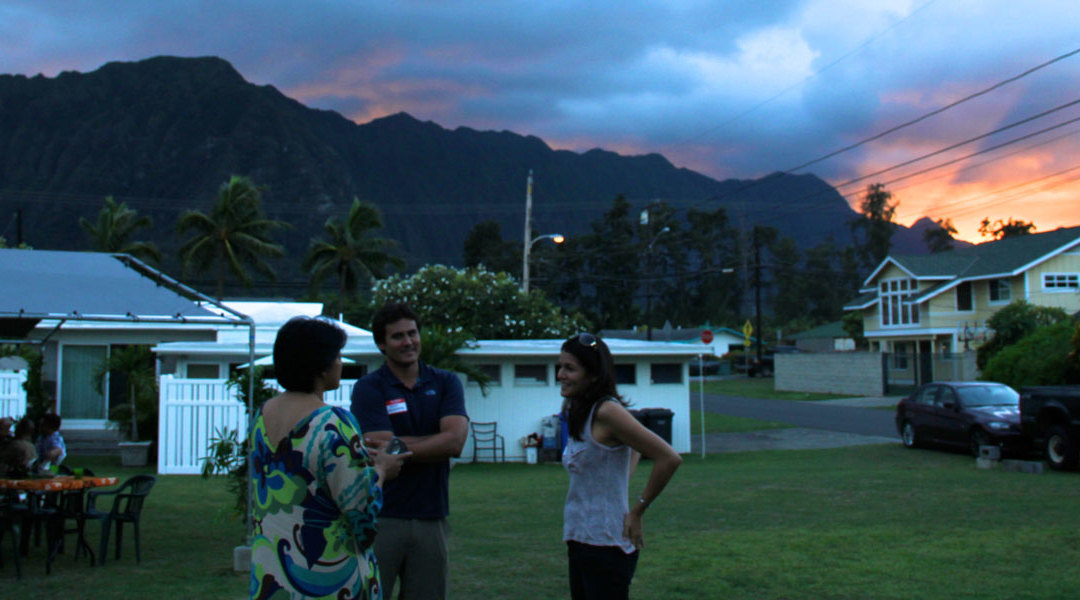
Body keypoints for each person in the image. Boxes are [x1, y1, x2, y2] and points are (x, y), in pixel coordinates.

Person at [250, 316, 408, 600]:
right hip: (328, 582)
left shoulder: (262, 416)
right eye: (336, 355)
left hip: (272, 579)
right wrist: (382, 470)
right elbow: (363, 519)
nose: (340, 362)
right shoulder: (334, 423)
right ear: (320, 367)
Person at [350, 303, 469, 600]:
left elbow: (455, 442)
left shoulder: (445, 382)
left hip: (432, 516)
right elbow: (379, 448)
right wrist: (434, 442)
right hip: (381, 516)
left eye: (412, 333)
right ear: (381, 344)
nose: (408, 342)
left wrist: (399, 445)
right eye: (397, 337)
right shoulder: (369, 387)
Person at [559, 332, 682, 600]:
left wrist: (637, 510)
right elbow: (632, 449)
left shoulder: (607, 412)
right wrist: (617, 482)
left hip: (606, 546)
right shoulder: (582, 411)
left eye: (569, 368)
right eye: (560, 367)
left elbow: (669, 458)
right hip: (579, 539)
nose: (560, 374)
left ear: (592, 374)